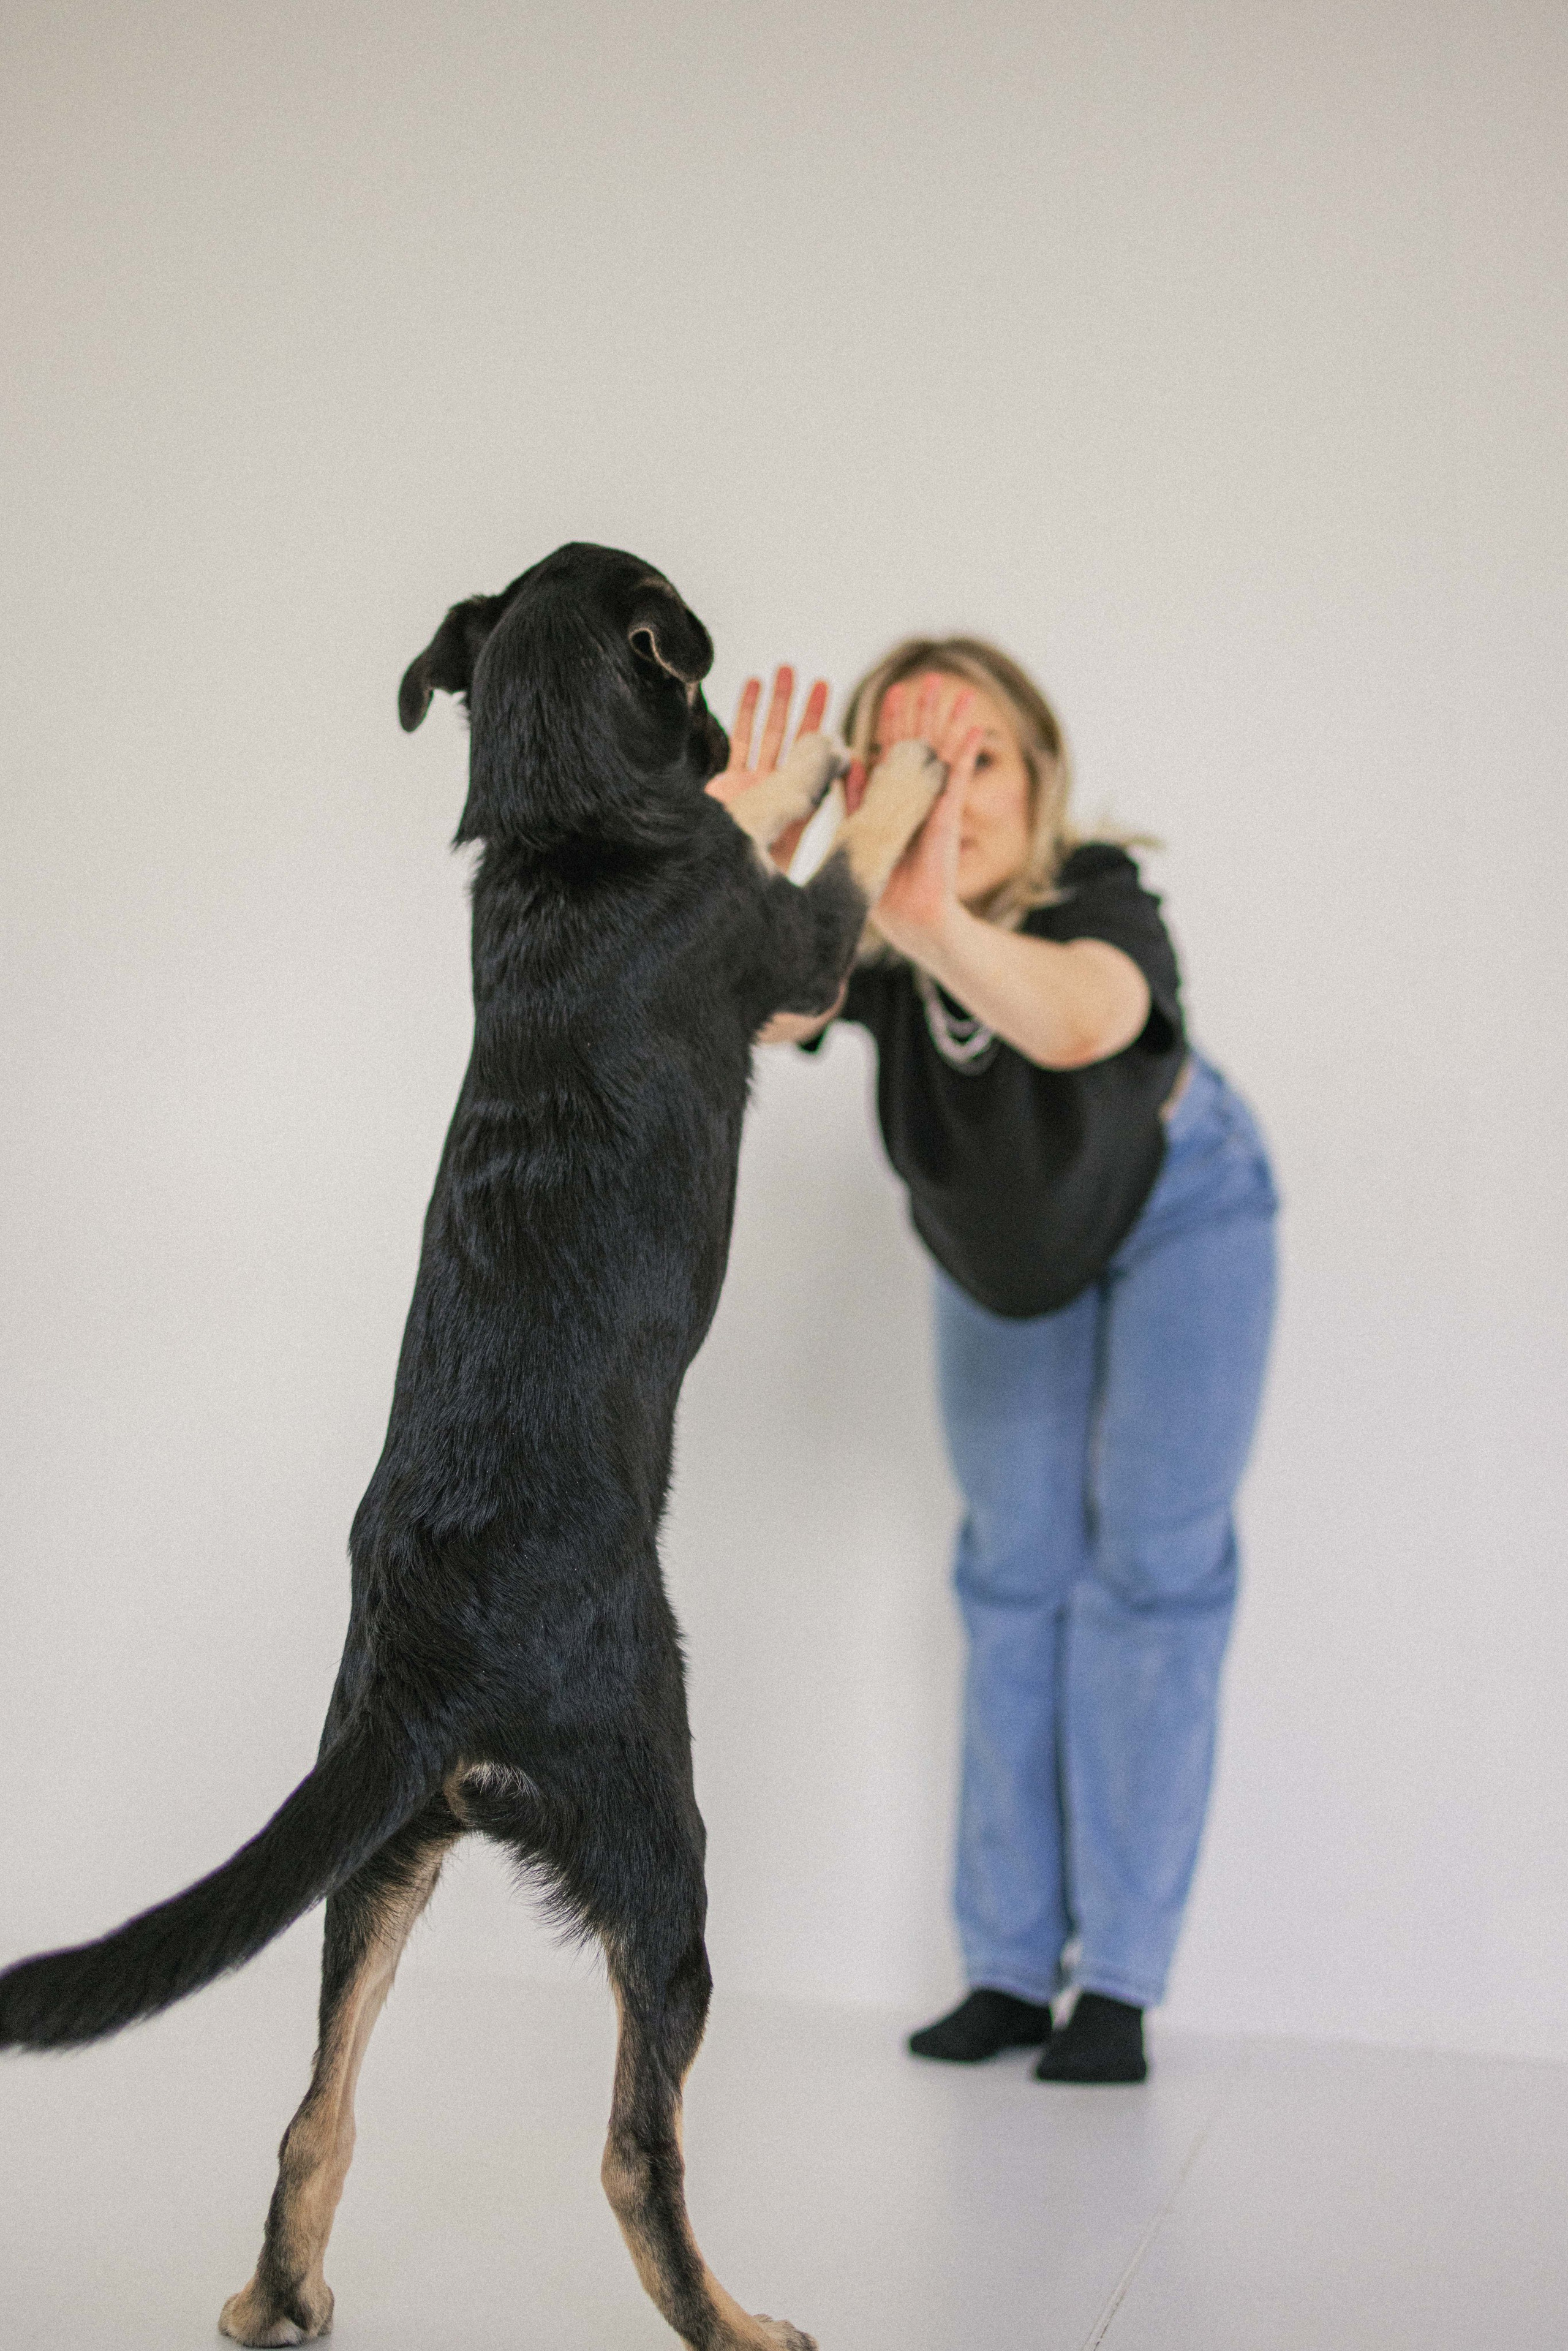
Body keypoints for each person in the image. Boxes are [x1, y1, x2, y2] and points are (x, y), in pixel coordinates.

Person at [710, 645, 1277, 2084]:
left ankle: (1119, 1988)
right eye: (909, 760)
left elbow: (1089, 1016)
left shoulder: (1095, 895)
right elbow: (750, 1005)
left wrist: (934, 916)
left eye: (978, 760)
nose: (948, 790)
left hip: (1182, 1210)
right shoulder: (867, 950)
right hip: (1006, 1263)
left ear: (1038, 777)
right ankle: (1011, 1973)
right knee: (1013, 1573)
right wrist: (731, 854)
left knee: (1150, 1573)